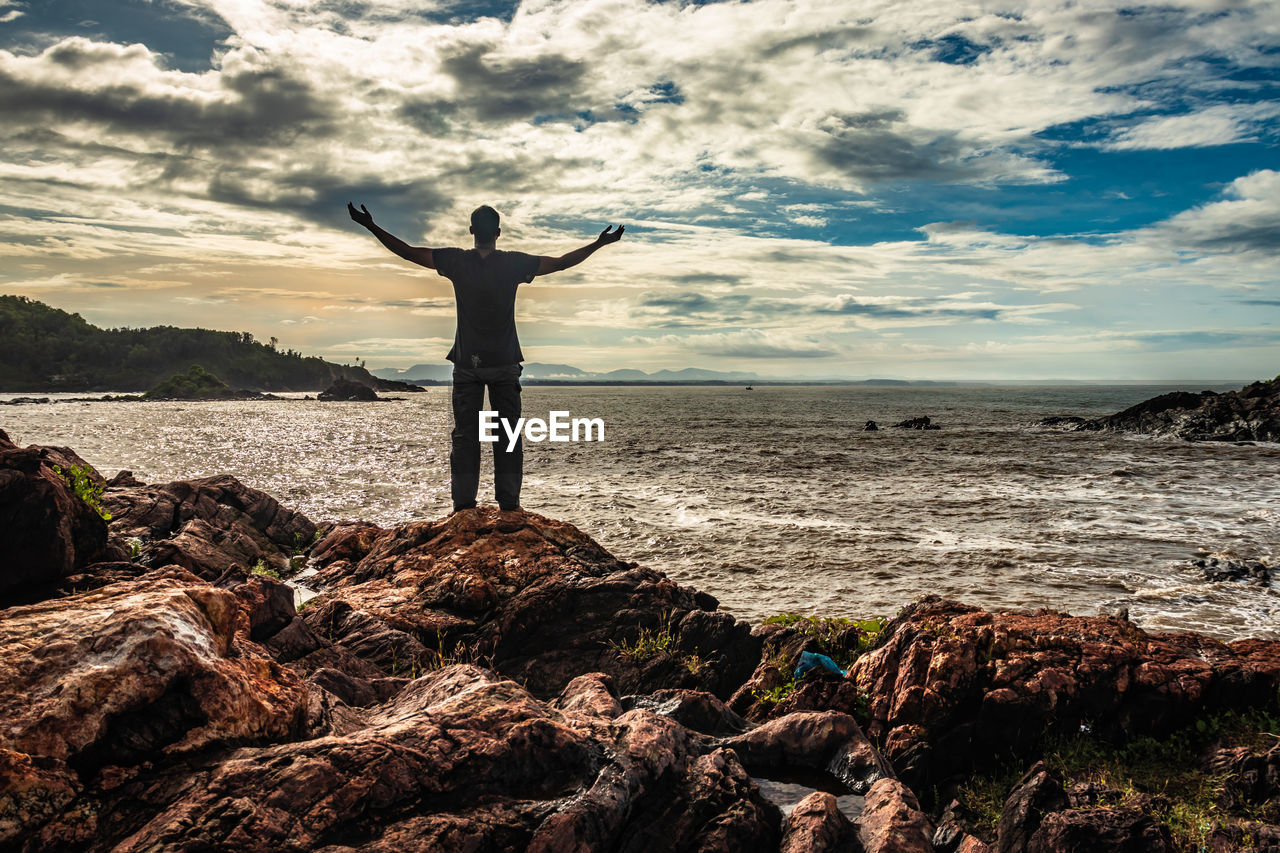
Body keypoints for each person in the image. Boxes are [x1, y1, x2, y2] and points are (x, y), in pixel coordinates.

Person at [347, 202, 624, 513]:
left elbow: (409, 252)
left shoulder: (455, 260)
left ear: (471, 231)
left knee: (465, 438)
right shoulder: (513, 263)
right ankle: (509, 506)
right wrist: (599, 243)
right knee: (507, 435)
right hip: (505, 364)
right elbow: (560, 263)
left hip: (467, 365)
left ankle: (463, 507)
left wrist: (370, 226)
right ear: (498, 233)